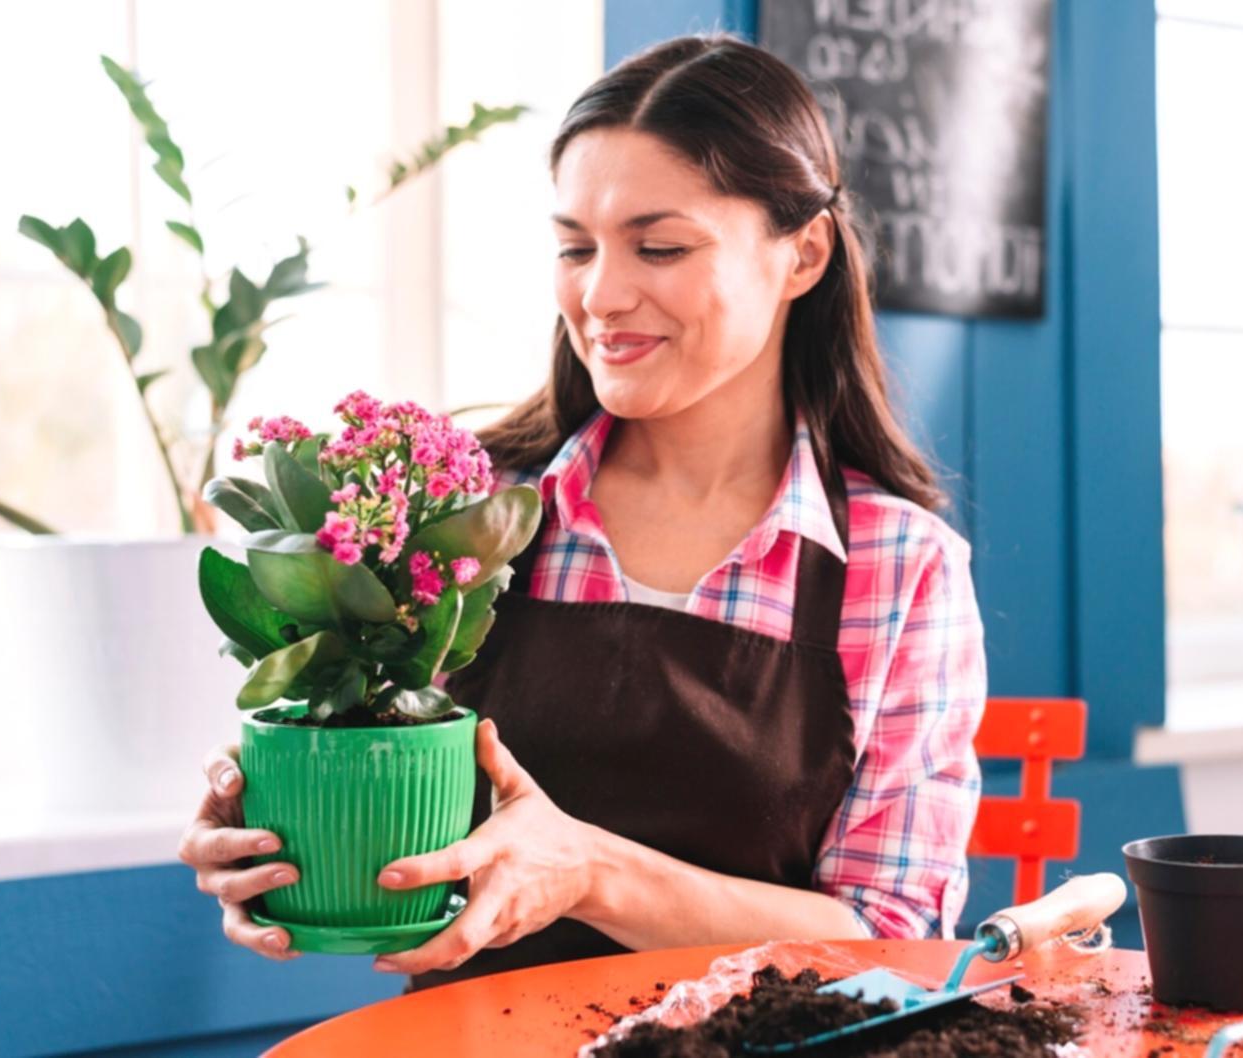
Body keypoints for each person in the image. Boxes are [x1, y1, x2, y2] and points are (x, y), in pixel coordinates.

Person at [177, 32, 987, 994]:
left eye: (661, 247)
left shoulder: (899, 569)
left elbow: (895, 944)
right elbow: (364, 762)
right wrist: (273, 840)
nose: (600, 294)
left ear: (802, 253)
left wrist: (591, 874)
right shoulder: (459, 509)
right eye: (574, 247)